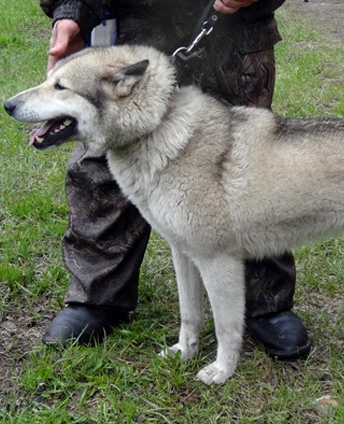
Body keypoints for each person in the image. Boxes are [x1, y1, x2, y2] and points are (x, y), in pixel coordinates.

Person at [38, 0, 312, 360]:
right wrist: (73, 10)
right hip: (133, 26)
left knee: (249, 163)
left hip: (235, 32)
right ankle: (97, 293)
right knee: (103, 166)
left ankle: (266, 298)